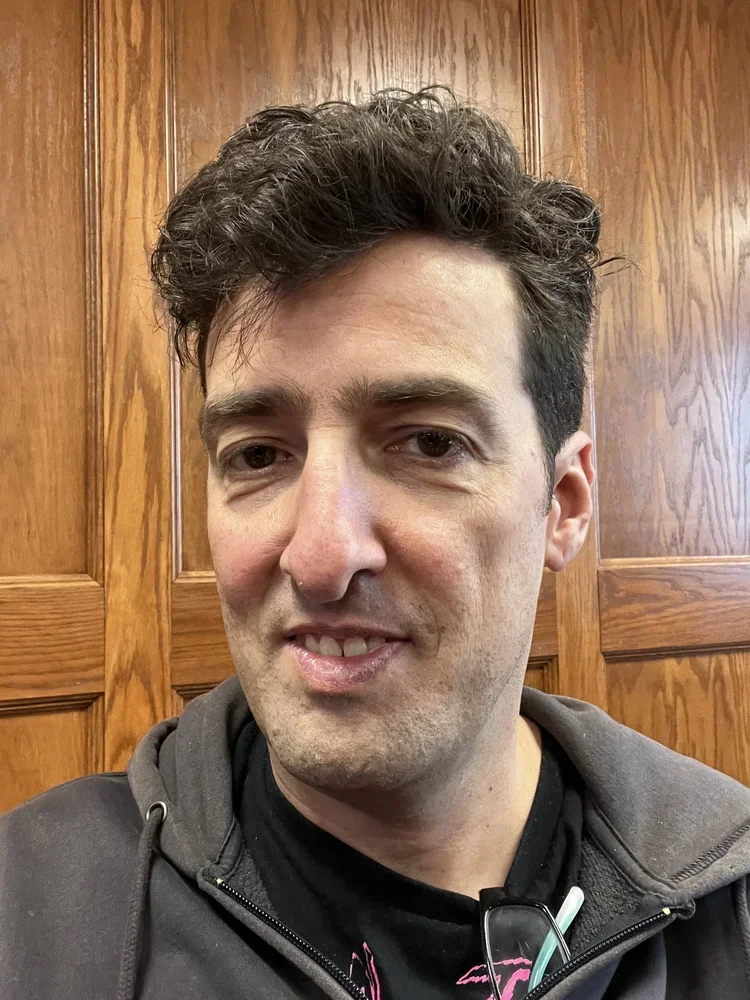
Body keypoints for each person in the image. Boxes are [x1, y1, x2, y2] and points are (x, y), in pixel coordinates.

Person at [1, 87, 749, 1000]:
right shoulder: (27, 912)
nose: (319, 556)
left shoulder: (732, 905)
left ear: (562, 500)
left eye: (429, 443)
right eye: (258, 454)